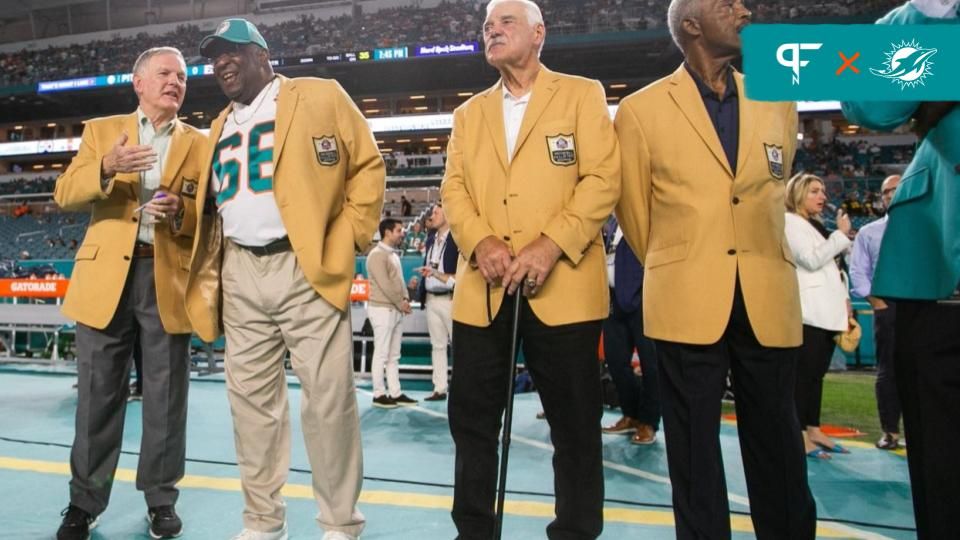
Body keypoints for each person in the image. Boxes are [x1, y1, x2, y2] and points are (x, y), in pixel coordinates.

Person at [615, 0, 816, 537]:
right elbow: (635, 214)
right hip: (686, 298)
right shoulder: (640, 110)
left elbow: (772, 189)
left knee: (779, 444)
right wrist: (684, 259)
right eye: (727, 4)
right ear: (692, 25)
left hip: (767, 295)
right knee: (693, 454)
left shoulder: (778, 98)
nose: (744, 10)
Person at [185, 19, 385, 540]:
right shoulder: (217, 125)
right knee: (250, 410)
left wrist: (347, 239)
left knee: (328, 402)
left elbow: (367, 166)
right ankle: (262, 523)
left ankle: (340, 523)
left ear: (262, 54)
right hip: (240, 271)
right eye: (215, 57)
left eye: (233, 52)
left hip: (303, 263)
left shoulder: (317, 95)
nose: (222, 63)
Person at [441, 1, 621, 537]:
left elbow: (603, 179)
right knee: (472, 425)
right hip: (485, 290)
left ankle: (575, 531)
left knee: (575, 429)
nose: (491, 31)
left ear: (540, 33)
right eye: (487, 26)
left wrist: (550, 245)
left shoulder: (582, 94)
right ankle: (474, 531)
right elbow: (454, 190)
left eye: (505, 23)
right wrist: (481, 241)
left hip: (564, 287)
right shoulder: (468, 113)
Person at [52, 46, 207, 540]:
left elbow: (209, 214)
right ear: (137, 83)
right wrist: (106, 166)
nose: (175, 82)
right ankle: (84, 502)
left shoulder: (200, 143)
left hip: (166, 277)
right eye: (164, 73)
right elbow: (65, 192)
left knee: (166, 399)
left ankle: (162, 500)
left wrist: (180, 215)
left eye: (182, 76)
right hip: (106, 282)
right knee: (97, 397)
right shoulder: (101, 130)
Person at [841, 2, 959, 537]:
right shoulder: (931, 20)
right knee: (941, 475)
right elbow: (868, 101)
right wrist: (932, 15)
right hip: (939, 280)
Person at [783, 173, 853, 459]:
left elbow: (832, 267)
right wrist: (841, 234)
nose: (822, 196)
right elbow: (811, 260)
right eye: (814, 191)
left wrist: (846, 301)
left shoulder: (815, 225)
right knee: (804, 376)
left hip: (827, 312)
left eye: (823, 191)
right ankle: (799, 435)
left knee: (816, 376)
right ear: (798, 194)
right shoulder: (790, 222)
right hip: (809, 312)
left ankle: (813, 428)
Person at [849, 174, 902, 450]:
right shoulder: (869, 232)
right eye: (886, 192)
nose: (891, 195)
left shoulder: (927, 229)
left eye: (897, 189)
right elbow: (858, 271)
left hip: (923, 306)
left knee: (925, 371)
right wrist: (875, 301)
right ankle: (890, 431)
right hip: (888, 306)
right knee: (888, 371)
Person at [601, 225, 660, 445]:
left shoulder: (641, 218)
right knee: (615, 361)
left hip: (643, 297)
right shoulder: (610, 223)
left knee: (651, 364)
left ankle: (649, 422)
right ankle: (631, 414)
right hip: (613, 299)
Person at [366, 218, 417, 408]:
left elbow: (400, 282)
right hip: (382, 309)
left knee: (394, 355)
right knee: (381, 353)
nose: (402, 233)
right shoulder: (376, 255)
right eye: (399, 230)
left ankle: (395, 392)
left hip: (395, 309)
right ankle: (379, 394)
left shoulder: (393, 255)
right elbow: (384, 284)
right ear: (387, 232)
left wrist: (404, 299)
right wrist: (400, 302)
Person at [416, 203, 459, 401]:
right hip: (432, 298)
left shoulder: (457, 238)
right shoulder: (431, 238)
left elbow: (458, 274)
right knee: (438, 345)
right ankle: (439, 388)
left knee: (459, 346)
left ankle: (461, 389)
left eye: (436, 212)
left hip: (451, 298)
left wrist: (435, 273)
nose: (432, 216)